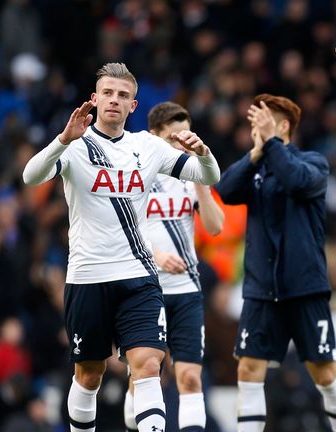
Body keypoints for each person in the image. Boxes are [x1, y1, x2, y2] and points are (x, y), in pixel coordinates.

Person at [22, 63, 220, 432]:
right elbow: (30, 176)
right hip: (88, 277)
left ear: (133, 105)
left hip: (139, 277)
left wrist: (204, 154)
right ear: (95, 99)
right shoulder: (75, 146)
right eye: (108, 93)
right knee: (89, 375)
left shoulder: (148, 147)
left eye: (123, 95)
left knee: (147, 365)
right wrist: (63, 139)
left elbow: (209, 177)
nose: (115, 100)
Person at [216, 93, 336, 432]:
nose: (256, 129)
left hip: (305, 287)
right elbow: (227, 190)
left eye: (263, 122)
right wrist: (255, 154)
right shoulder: (256, 168)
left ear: (284, 126)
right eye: (254, 123)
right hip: (262, 289)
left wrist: (272, 144)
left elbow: (294, 179)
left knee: (323, 372)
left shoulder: (314, 163)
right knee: (248, 369)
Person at [122, 102, 225, 432]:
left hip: (186, 290)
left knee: (191, 378)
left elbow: (215, 227)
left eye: (185, 137)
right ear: (154, 137)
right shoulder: (137, 174)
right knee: (145, 375)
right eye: (172, 139)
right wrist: (155, 253)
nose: (180, 145)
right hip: (147, 289)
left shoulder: (192, 174)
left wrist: (202, 188)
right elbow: (120, 228)